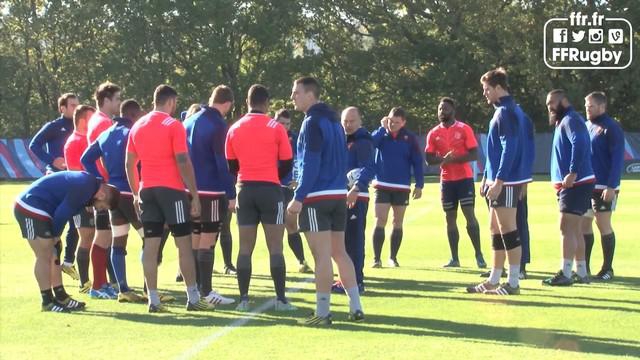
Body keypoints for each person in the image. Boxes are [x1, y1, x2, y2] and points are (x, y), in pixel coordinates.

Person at [126, 84, 211, 313]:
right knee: (183, 243)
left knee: (150, 245)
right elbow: (183, 160)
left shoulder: (137, 126)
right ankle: (193, 298)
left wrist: (135, 193)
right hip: (171, 191)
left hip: (147, 190)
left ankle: (153, 299)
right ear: (171, 102)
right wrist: (193, 194)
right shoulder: (174, 125)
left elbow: (129, 163)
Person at [288, 76, 364, 325]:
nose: (292, 97)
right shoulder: (334, 123)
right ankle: (355, 307)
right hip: (337, 194)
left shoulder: (311, 123)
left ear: (310, 95)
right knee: (339, 252)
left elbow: (311, 163)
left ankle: (322, 312)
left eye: (296, 92)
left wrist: (299, 196)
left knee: (321, 256)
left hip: (317, 196)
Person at [225, 84, 295, 312]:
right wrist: (271, 174)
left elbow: (231, 165)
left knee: (245, 247)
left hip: (244, 188)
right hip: (270, 189)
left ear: (247, 102)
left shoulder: (234, 128)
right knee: (276, 246)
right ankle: (281, 299)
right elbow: (286, 162)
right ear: (266, 103)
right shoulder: (276, 128)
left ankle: (244, 299)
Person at [14, 171, 119, 312]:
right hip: (31, 206)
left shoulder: (90, 185)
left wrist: (56, 238)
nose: (96, 208)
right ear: (101, 195)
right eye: (101, 206)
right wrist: (56, 235)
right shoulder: (85, 186)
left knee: (54, 252)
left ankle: (61, 295)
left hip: (43, 208)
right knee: (44, 254)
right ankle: (47, 301)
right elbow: (62, 213)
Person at [467, 67, 531, 296]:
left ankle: (513, 282)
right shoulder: (506, 110)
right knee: (495, 227)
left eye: (486, 89)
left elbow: (510, 147)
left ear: (497, 88)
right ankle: (494, 278)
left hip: (507, 181)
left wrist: (500, 180)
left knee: (508, 228)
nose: (484, 93)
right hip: (500, 179)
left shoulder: (506, 112)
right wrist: (487, 177)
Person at [81, 99, 147, 302]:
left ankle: (124, 289)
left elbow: (85, 159)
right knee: (150, 239)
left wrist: (101, 181)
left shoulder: (106, 133)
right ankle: (148, 288)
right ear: (134, 116)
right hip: (131, 192)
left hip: (114, 195)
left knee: (119, 241)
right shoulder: (134, 132)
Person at [183, 85, 236, 305]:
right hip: (210, 190)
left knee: (195, 240)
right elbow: (220, 162)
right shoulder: (217, 123)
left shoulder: (188, 121)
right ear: (228, 104)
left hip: (188, 189)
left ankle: (195, 291)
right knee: (207, 240)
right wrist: (231, 192)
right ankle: (207, 292)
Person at [425, 97, 485, 269]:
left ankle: (479, 255)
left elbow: (474, 154)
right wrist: (443, 159)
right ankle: (454, 258)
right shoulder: (433, 133)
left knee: (469, 215)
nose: (441, 112)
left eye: (445, 108)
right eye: (439, 109)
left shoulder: (464, 128)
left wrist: (455, 159)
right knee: (450, 218)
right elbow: (429, 159)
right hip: (447, 181)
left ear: (453, 110)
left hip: (464, 179)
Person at [544, 89, 595, 286]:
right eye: (548, 104)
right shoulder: (564, 120)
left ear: (564, 101)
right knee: (575, 229)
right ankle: (581, 273)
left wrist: (573, 172)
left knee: (566, 227)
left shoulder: (571, 119)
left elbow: (580, 143)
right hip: (577, 183)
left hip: (576, 182)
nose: (550, 107)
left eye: (553, 103)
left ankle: (565, 272)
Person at [29, 93, 80, 281]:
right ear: (63, 108)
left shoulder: (81, 126)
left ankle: (68, 261)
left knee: (78, 222)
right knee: (57, 222)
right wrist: (52, 161)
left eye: (77, 105)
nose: (76, 108)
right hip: (56, 179)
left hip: (75, 179)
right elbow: (34, 145)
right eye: (72, 105)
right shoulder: (53, 127)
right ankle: (53, 263)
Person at [370, 107, 424, 268]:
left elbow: (417, 161)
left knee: (397, 222)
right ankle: (376, 258)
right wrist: (382, 128)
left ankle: (393, 257)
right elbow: (371, 143)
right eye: (391, 121)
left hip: (401, 186)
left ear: (403, 123)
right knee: (380, 220)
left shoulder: (410, 138)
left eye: (397, 122)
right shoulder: (381, 134)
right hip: (382, 184)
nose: (393, 125)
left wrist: (419, 184)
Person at [582, 91, 625, 281]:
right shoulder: (586, 126)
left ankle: (607, 268)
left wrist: (612, 185)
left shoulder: (611, 127)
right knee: (584, 224)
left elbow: (617, 159)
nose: (587, 109)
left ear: (601, 106)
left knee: (603, 224)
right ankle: (584, 267)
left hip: (603, 186)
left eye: (591, 106)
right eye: (586, 106)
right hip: (586, 186)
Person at [332, 106, 374, 294]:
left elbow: (369, 168)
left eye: (352, 121)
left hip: (357, 196)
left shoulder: (363, 140)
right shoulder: (341, 139)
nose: (348, 125)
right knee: (342, 241)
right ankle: (345, 280)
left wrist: (356, 187)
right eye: (345, 121)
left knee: (354, 239)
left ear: (360, 121)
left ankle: (357, 281)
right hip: (341, 195)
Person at [86, 82, 122, 298]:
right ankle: (98, 285)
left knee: (105, 236)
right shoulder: (103, 123)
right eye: (117, 99)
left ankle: (102, 283)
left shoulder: (98, 120)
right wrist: (104, 180)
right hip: (104, 189)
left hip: (102, 186)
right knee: (103, 237)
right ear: (106, 100)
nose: (119, 103)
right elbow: (104, 158)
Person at [63, 105, 97, 293]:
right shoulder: (75, 142)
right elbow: (77, 174)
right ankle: (84, 282)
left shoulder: (85, 140)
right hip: (80, 199)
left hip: (89, 196)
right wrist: (87, 199)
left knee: (92, 236)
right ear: (83, 120)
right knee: (86, 236)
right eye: (91, 118)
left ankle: (97, 279)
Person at [275, 108, 312, 273]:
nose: (284, 127)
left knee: (291, 225)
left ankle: (302, 261)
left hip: (289, 189)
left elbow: (301, 160)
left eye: (287, 124)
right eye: (281, 123)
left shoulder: (295, 139)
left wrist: (298, 180)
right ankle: (276, 263)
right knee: (275, 227)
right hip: (272, 188)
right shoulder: (270, 136)